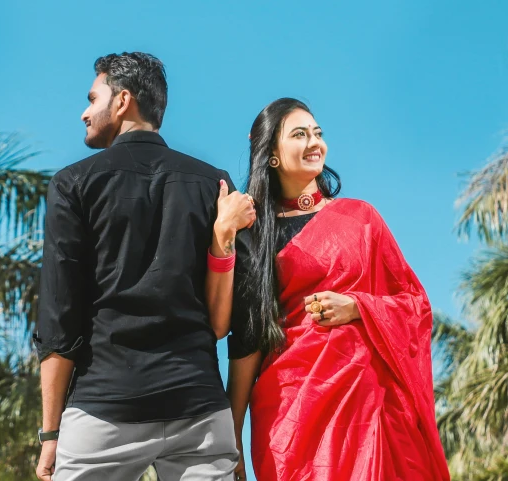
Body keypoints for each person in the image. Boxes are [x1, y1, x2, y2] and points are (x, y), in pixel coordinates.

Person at [34, 52, 256, 481]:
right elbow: (222, 323)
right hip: (199, 409)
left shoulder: (72, 183)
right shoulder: (216, 183)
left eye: (92, 97)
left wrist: (50, 434)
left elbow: (59, 321)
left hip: (104, 407)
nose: (84, 112)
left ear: (122, 101)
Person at [214, 98, 450, 481]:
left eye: (318, 133)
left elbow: (415, 304)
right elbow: (247, 338)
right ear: (271, 154)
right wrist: (232, 437)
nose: (314, 143)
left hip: (368, 405)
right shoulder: (254, 232)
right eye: (300, 134)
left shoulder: (361, 218)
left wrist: (358, 306)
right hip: (291, 413)